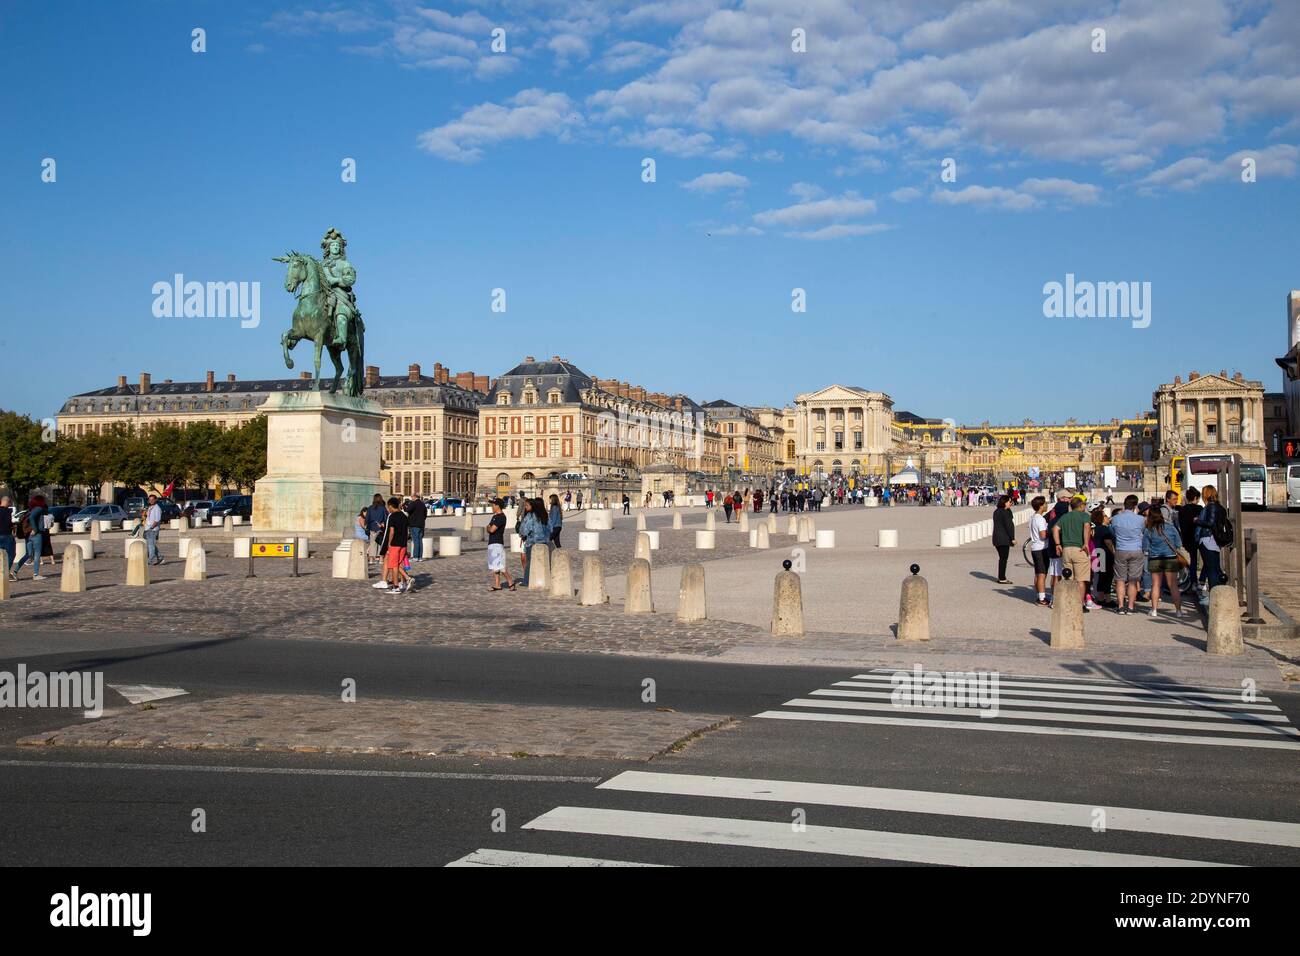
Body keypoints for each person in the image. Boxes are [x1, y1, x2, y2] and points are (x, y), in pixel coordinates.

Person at [1142, 503, 1185, 617]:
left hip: (1155, 558)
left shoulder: (1148, 530)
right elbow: (1178, 543)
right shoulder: (1170, 527)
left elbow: (1145, 547)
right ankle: (1178, 611)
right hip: (1170, 557)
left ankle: (1154, 610)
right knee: (1173, 585)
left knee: (1155, 585)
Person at [1052, 495, 1093, 612]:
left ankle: (1069, 602)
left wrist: (1057, 544)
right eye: (1084, 505)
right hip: (1079, 549)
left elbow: (1055, 529)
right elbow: (1086, 527)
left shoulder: (1065, 517)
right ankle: (1079, 605)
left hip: (1066, 550)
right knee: (1081, 580)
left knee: (1069, 578)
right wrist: (1086, 542)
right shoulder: (1084, 516)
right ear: (1081, 506)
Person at [1109, 495, 1145, 616]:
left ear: (1124, 505)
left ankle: (1120, 606)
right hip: (1136, 549)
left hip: (1121, 549)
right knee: (1133, 580)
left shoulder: (1115, 519)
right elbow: (1143, 532)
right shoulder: (1141, 519)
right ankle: (1130, 606)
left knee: (1120, 579)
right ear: (1135, 506)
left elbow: (1112, 532)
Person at [1194, 485, 1228, 592]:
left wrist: (1197, 520)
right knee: (1214, 567)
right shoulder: (1220, 507)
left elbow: (1210, 523)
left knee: (1212, 570)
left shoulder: (1211, 506)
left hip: (1208, 539)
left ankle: (1214, 594)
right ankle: (1216, 591)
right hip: (1214, 540)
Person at [380, 496, 412, 594]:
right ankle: (407, 578)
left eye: (388, 507)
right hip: (403, 544)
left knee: (393, 565)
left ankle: (396, 587)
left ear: (390, 506)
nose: (388, 509)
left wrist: (389, 544)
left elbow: (392, 532)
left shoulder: (392, 516)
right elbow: (407, 532)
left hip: (395, 544)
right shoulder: (404, 516)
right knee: (398, 564)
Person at [1177, 487, 1202, 596]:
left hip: (1186, 538)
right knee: (1197, 561)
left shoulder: (1182, 510)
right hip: (1197, 538)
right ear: (1195, 498)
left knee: (1191, 560)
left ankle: (1193, 581)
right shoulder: (1199, 508)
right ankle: (1196, 581)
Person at [487, 499, 516, 591]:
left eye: (493, 505)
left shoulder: (501, 517)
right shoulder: (494, 516)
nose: (492, 507)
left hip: (497, 543)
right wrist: (489, 527)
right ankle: (497, 584)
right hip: (491, 543)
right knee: (494, 566)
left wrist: (489, 527)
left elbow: (491, 529)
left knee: (500, 566)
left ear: (497, 506)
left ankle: (510, 582)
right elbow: (489, 527)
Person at [1090, 505, 1116, 607]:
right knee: (1107, 576)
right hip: (1105, 554)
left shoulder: (1096, 529)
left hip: (1097, 552)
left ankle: (1100, 597)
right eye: (1105, 516)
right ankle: (1107, 598)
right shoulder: (1104, 529)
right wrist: (1114, 553)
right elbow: (1108, 542)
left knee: (1100, 576)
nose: (1107, 517)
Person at [1027, 496, 1050, 606]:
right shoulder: (1040, 519)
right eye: (1045, 504)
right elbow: (1043, 535)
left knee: (1037, 573)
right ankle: (1041, 598)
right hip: (1041, 548)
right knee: (1042, 574)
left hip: (1035, 547)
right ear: (1041, 506)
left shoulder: (1032, 517)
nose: (1046, 505)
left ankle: (1039, 595)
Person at [991, 494, 1015, 583]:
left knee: (1002, 558)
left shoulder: (997, 511)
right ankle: (1002, 578)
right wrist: (1012, 538)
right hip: (1004, 538)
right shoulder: (1005, 512)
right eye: (1009, 502)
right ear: (1004, 502)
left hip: (997, 538)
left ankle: (1001, 577)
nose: (1011, 503)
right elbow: (1009, 526)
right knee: (1003, 559)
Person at [365, 493, 387, 567]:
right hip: (380, 527)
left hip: (372, 527)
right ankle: (381, 559)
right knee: (381, 543)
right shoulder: (383, 508)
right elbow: (386, 518)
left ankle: (371, 559)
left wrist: (367, 526)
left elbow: (367, 518)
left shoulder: (370, 508)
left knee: (372, 543)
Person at [142, 494, 164, 565]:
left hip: (152, 529)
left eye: (152, 499)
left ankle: (150, 561)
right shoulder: (150, 507)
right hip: (147, 528)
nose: (151, 501)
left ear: (155, 500)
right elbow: (149, 518)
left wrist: (151, 527)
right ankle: (160, 557)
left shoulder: (157, 508)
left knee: (151, 546)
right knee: (151, 545)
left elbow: (157, 519)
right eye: (150, 499)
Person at [405, 496, 427, 562]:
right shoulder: (423, 504)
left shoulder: (413, 503)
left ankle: (415, 557)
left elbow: (407, 510)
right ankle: (420, 557)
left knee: (416, 540)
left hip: (414, 524)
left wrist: (405, 507)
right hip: (421, 524)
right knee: (420, 540)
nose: (411, 498)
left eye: (412, 497)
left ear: (414, 497)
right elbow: (425, 515)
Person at [0, 495, 14, 579]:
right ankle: (5, 572)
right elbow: (8, 523)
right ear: (7, 502)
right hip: (6, 535)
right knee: (10, 554)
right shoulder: (7, 511)